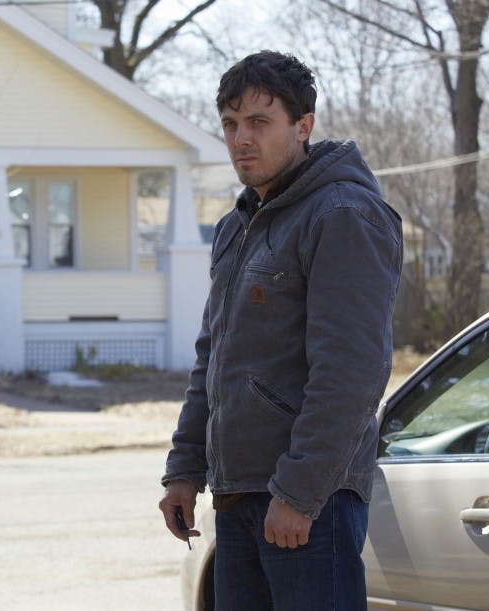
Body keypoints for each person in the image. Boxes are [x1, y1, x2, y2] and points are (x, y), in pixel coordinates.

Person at [159, 51, 403, 610]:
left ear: (303, 126)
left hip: (309, 505)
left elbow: (352, 372)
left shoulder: (342, 214)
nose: (241, 138)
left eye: (259, 122)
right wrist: (184, 469)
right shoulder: (236, 226)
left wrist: (299, 491)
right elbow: (213, 358)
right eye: (230, 123)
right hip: (238, 494)